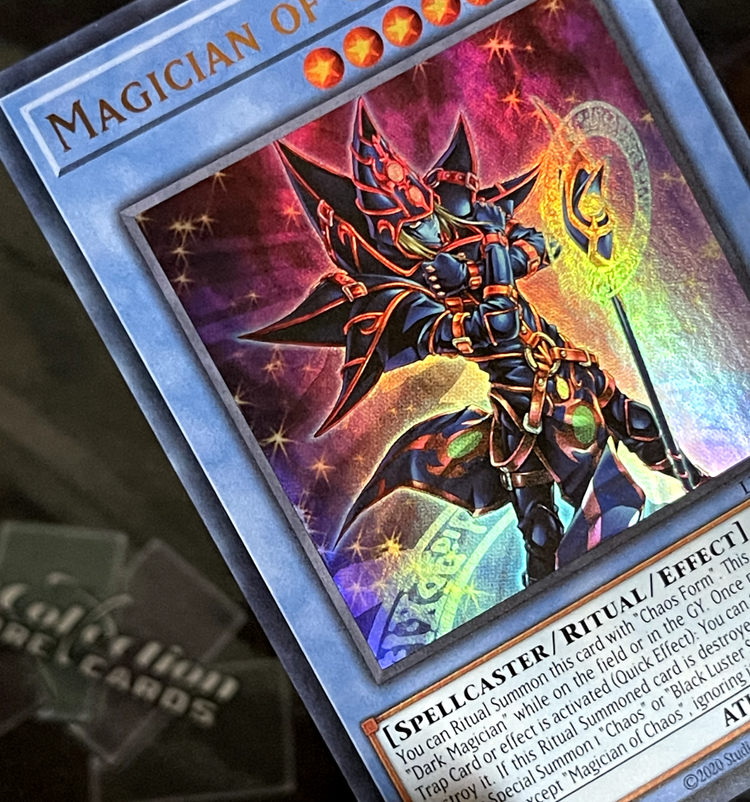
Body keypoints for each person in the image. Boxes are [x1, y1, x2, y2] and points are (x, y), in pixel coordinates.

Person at [244, 99, 700, 584]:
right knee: (551, 527)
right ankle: (551, 597)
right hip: (526, 406)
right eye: (412, 223)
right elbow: (496, 328)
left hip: (573, 367)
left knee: (648, 433)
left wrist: (484, 265)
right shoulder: (403, 302)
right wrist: (493, 258)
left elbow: (542, 245)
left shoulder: (466, 231)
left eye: (426, 210)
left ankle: (714, 495)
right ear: (388, 234)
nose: (429, 224)